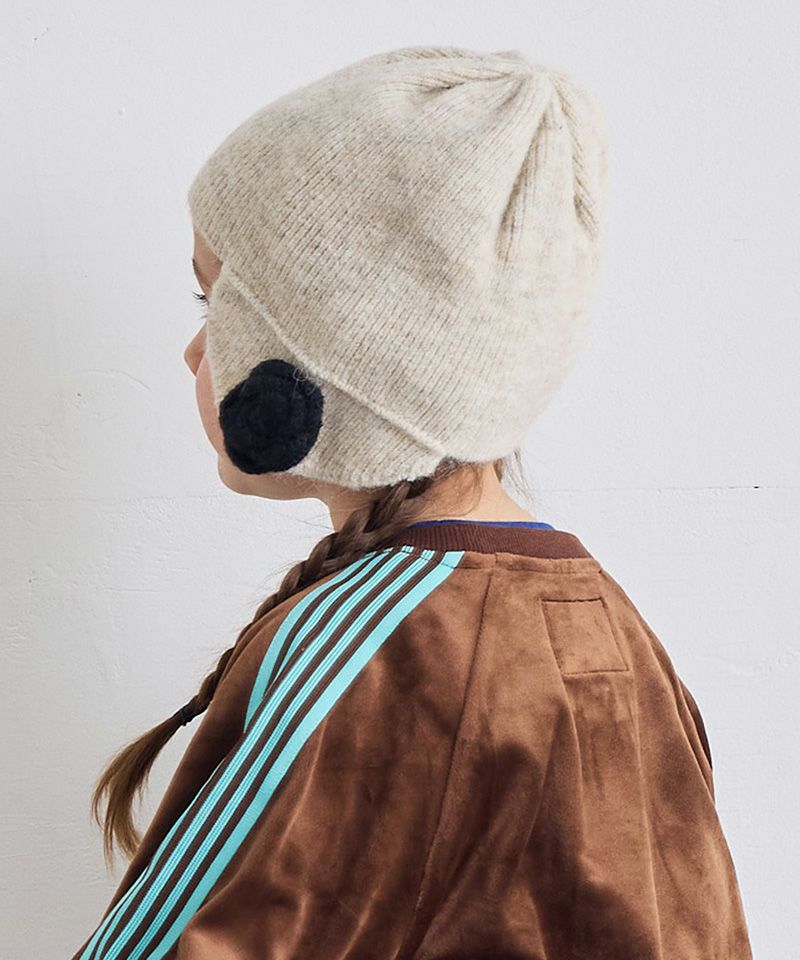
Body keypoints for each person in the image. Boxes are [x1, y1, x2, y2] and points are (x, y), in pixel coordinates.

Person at [70, 45, 753, 960]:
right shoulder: (614, 628)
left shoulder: (359, 649)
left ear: (314, 372)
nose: (194, 353)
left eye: (215, 308)